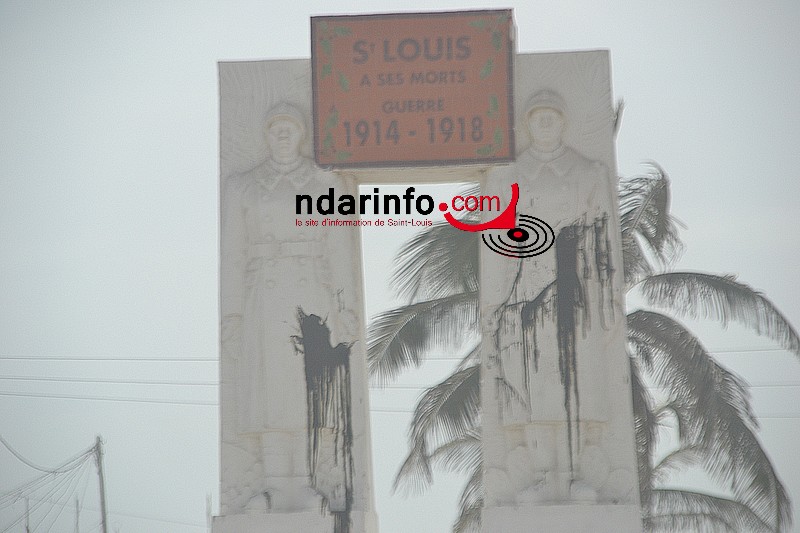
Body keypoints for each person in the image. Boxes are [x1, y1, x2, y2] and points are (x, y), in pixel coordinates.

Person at [220, 103, 350, 513]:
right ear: (265, 135)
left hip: (310, 292)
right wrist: (233, 316)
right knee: (270, 394)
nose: (282, 136)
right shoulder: (245, 186)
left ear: (302, 134)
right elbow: (232, 256)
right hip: (265, 292)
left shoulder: (324, 181)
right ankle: (274, 487)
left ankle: (310, 487)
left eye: (289, 129)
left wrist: (345, 307)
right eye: (274, 128)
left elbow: (340, 248)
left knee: (308, 390)